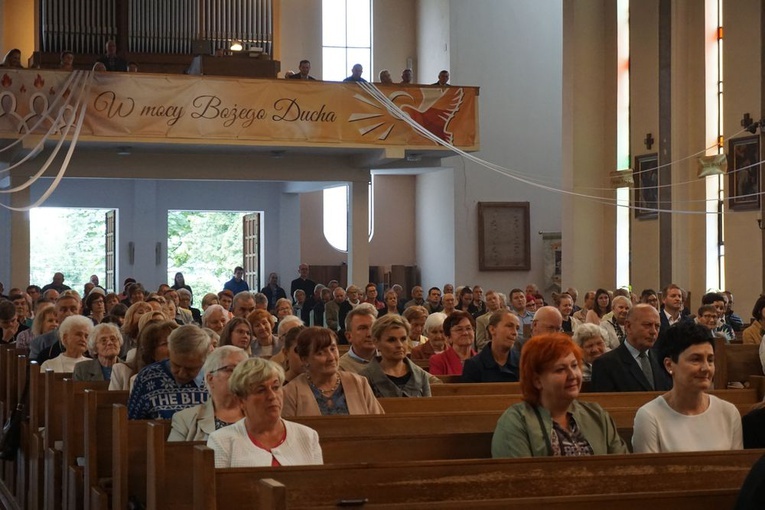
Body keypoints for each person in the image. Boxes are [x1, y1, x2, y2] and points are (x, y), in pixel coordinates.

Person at [491, 333, 628, 458]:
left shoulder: (596, 415)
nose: (572, 375)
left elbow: (623, 466)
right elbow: (521, 475)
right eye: (560, 369)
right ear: (537, 380)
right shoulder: (517, 421)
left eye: (574, 366)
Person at [632, 321, 743, 453]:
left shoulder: (729, 413)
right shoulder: (650, 416)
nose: (706, 368)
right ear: (669, 365)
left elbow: (737, 464)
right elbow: (648, 466)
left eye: (710, 360)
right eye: (696, 359)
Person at [206, 357, 323, 467]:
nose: (272, 396)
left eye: (276, 387)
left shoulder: (308, 436)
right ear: (241, 400)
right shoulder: (221, 441)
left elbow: (319, 482)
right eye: (261, 390)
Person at [282, 327, 383, 416]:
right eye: (320, 353)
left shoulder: (359, 383)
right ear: (305, 359)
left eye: (333, 349)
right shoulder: (290, 392)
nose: (331, 358)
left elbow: (379, 423)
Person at [127, 324, 210, 419]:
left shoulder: (216, 378)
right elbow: (131, 423)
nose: (181, 374)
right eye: (176, 365)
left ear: (205, 360)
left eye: (190, 369)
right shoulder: (147, 377)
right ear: (170, 353)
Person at [168, 345, 249, 441]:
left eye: (244, 370)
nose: (239, 375)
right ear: (210, 379)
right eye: (230, 369)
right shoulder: (185, 419)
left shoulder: (259, 416)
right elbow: (175, 451)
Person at [590, 304, 673, 392]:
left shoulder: (662, 360)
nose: (653, 331)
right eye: (647, 325)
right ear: (628, 326)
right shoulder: (606, 364)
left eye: (657, 326)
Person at [360, 314, 431, 398]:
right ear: (376, 342)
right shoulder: (364, 378)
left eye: (403, 339)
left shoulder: (421, 375)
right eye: (391, 340)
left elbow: (429, 405)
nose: (399, 345)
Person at [109, 320, 178, 391]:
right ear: (152, 352)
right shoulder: (140, 380)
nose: (174, 347)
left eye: (177, 342)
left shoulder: (183, 378)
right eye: (165, 343)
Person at [461, 310, 520, 383]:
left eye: (517, 328)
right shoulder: (474, 365)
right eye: (509, 326)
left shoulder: (523, 363)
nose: (515, 332)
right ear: (492, 329)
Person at [429, 310, 477, 376]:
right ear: (448, 337)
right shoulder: (438, 361)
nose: (465, 333)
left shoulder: (481, 360)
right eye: (459, 329)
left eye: (468, 328)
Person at [338, 305, 377, 373]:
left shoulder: (388, 358)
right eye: (362, 328)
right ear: (349, 336)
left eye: (373, 327)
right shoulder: (340, 368)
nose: (370, 334)